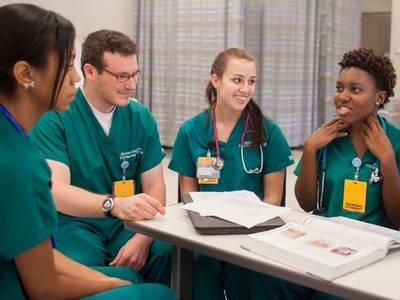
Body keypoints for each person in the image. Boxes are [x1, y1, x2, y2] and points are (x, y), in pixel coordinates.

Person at [0, 3, 176, 300]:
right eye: (67, 65)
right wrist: (114, 283)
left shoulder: (14, 144)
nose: (75, 78)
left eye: (134, 75)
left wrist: (137, 246)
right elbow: (43, 285)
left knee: (167, 259)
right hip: (71, 236)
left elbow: (154, 185)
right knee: (160, 294)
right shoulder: (21, 159)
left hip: (116, 231)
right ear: (25, 73)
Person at [245, 48, 400, 300]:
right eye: (339, 88)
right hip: (323, 243)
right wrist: (309, 149)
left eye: (355, 90)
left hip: (374, 252)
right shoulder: (325, 138)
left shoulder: (395, 142)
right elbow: (307, 204)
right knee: (259, 273)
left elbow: (398, 219)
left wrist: (387, 161)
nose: (343, 97)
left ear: (379, 97)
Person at [168, 48, 294, 300]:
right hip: (204, 232)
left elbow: (273, 198)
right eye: (237, 80)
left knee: (247, 273)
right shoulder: (191, 130)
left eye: (251, 81)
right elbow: (188, 195)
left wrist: (240, 225)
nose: (245, 89)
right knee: (199, 271)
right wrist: (211, 229)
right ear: (215, 80)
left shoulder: (268, 132)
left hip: (252, 230)